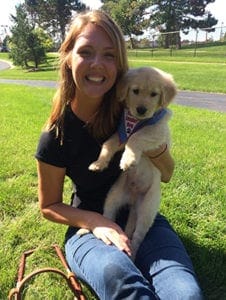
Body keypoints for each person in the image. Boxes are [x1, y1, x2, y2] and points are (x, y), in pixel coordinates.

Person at [35, 10, 203, 300]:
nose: (98, 64)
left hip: (142, 215)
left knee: (185, 294)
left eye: (109, 55)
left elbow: (167, 175)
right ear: (68, 57)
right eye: (86, 51)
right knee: (122, 280)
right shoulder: (56, 135)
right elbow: (49, 205)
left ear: (120, 64)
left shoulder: (132, 107)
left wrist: (152, 146)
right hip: (89, 226)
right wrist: (96, 221)